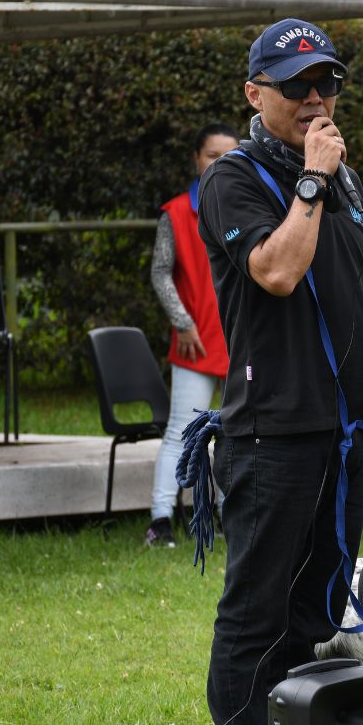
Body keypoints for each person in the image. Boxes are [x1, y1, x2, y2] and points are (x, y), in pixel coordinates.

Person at [194, 19, 363, 725]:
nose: (316, 99)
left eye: (326, 84)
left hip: (344, 433)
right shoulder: (234, 180)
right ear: (255, 95)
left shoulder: (344, 181)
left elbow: (360, 304)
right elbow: (279, 272)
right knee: (256, 614)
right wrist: (312, 180)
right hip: (270, 434)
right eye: (296, 86)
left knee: (316, 615)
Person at [145, 123, 239, 548]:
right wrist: (182, 322)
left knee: (235, 432)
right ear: (195, 159)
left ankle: (227, 514)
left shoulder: (249, 204)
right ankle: (160, 519)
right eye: (211, 155)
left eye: (229, 155)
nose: (219, 163)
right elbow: (160, 273)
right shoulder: (176, 212)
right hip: (195, 341)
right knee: (182, 431)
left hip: (241, 341)